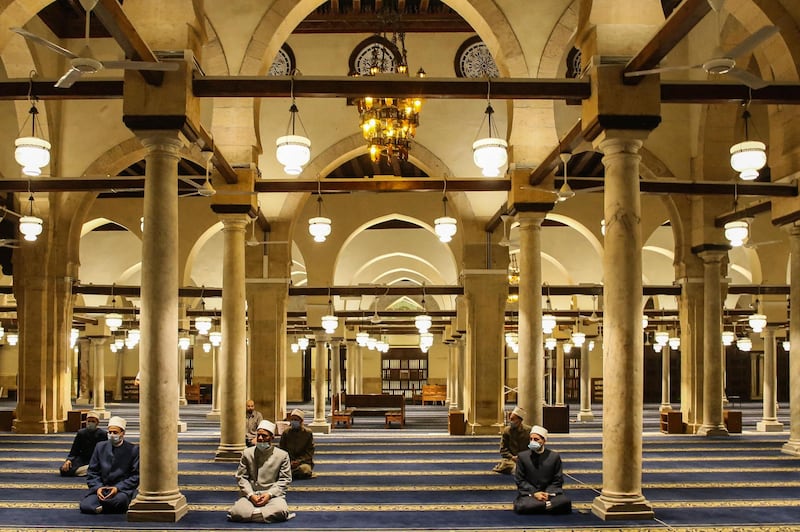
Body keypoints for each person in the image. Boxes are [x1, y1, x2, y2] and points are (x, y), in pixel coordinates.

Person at [228, 419, 293, 523]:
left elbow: (285, 479)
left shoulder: (282, 455)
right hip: (251, 495)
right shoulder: (247, 453)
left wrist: (269, 494)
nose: (260, 438)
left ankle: (253, 514)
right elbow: (241, 477)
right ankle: (262, 514)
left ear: (272, 437)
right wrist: (250, 495)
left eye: (264, 436)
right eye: (258, 435)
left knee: (280, 511)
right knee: (236, 512)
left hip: (272, 496)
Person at [79, 416, 140, 514]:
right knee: (85, 506)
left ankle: (101, 506)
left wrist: (117, 488)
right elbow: (92, 471)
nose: (112, 435)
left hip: (120, 490)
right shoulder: (100, 447)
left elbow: (136, 476)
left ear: (122, 433)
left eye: (115, 432)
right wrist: (98, 487)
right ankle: (105, 505)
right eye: (110, 432)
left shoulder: (133, 450)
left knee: (120, 502)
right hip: (101, 489)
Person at [513, 425, 571, 515]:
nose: (532, 442)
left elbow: (558, 479)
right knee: (523, 506)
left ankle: (541, 506)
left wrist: (547, 493)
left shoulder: (554, 456)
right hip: (530, 494)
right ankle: (548, 506)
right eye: (531, 439)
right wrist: (535, 493)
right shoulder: (522, 456)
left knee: (565, 502)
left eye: (536, 439)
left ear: (544, 441)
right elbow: (520, 480)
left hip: (550, 494)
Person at [60, 411, 107, 477]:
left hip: (96, 459)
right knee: (64, 470)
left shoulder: (103, 434)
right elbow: (74, 450)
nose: (90, 423)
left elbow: (105, 451)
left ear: (97, 423)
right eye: (89, 421)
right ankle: (91, 470)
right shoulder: (81, 433)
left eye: (93, 421)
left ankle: (89, 470)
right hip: (83, 459)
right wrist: (68, 460)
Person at [492, 406, 531, 474]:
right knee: (506, 464)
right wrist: (512, 457)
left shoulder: (529, 431)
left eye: (513, 419)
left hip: (526, 458)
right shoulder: (507, 431)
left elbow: (533, 448)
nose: (511, 422)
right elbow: (503, 450)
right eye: (510, 419)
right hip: (511, 460)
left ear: (519, 420)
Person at [279, 408, 315, 479]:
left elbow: (309, 452)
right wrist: (289, 461)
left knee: (305, 470)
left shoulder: (308, 433)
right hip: (288, 462)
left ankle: (288, 474)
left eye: (296, 420)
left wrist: (298, 462)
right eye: (292, 420)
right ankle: (290, 473)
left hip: (303, 463)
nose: (293, 422)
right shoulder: (286, 432)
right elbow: (281, 450)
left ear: (301, 421)